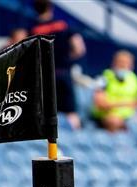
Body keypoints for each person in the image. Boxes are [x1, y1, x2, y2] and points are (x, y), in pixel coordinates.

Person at [30, 0, 86, 129]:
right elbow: (79, 49)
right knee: (71, 114)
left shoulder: (32, 28)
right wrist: (66, 60)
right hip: (63, 73)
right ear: (50, 7)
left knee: (43, 113)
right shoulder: (63, 25)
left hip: (43, 76)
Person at [92, 50, 137, 132]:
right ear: (114, 63)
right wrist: (132, 103)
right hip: (108, 117)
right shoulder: (104, 78)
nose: (124, 66)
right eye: (121, 63)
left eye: (127, 63)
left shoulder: (135, 79)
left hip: (130, 117)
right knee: (114, 121)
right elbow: (100, 103)